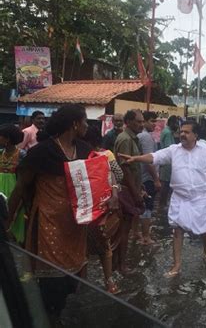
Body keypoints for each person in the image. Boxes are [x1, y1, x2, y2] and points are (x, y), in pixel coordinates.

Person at [7, 104, 93, 322]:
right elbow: (20, 188)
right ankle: (50, 318)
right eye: (84, 121)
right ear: (74, 123)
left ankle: (56, 313)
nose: (87, 125)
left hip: (75, 227)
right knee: (51, 283)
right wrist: (6, 222)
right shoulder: (42, 152)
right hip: (49, 225)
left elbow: (94, 182)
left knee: (70, 282)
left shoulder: (84, 149)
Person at [119, 120, 206, 278]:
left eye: (187, 132)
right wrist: (136, 158)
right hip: (179, 197)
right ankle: (177, 265)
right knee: (177, 229)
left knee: (203, 229)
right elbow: (155, 157)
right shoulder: (174, 150)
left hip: (198, 197)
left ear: (195, 135)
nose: (182, 134)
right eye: (181, 131)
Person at [83, 125, 122, 294]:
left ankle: (86, 282)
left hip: (89, 206)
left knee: (91, 244)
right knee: (101, 244)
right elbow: (118, 175)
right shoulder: (104, 155)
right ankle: (108, 282)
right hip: (97, 205)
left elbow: (117, 174)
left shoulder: (88, 156)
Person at [114, 109, 144, 273]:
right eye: (138, 122)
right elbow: (125, 170)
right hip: (126, 190)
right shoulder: (125, 139)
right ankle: (121, 265)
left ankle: (118, 263)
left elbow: (135, 168)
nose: (141, 125)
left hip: (131, 188)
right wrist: (135, 193)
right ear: (130, 122)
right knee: (124, 230)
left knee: (125, 228)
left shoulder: (133, 139)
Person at [137, 111, 160, 245]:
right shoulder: (146, 137)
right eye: (152, 121)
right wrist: (156, 179)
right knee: (147, 207)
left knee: (140, 205)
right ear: (144, 122)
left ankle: (136, 232)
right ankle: (146, 237)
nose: (155, 124)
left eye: (155, 121)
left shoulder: (141, 136)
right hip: (147, 178)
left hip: (142, 177)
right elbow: (149, 160)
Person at [0, 125, 26, 243]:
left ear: (8, 139)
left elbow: (23, 180)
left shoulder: (22, 155)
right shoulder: (0, 153)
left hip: (14, 193)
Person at [158, 115, 179, 209]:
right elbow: (169, 149)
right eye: (176, 123)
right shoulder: (168, 133)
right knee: (165, 185)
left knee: (166, 186)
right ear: (171, 123)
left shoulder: (168, 132)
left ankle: (163, 205)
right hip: (167, 164)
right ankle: (162, 206)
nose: (177, 125)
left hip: (167, 163)